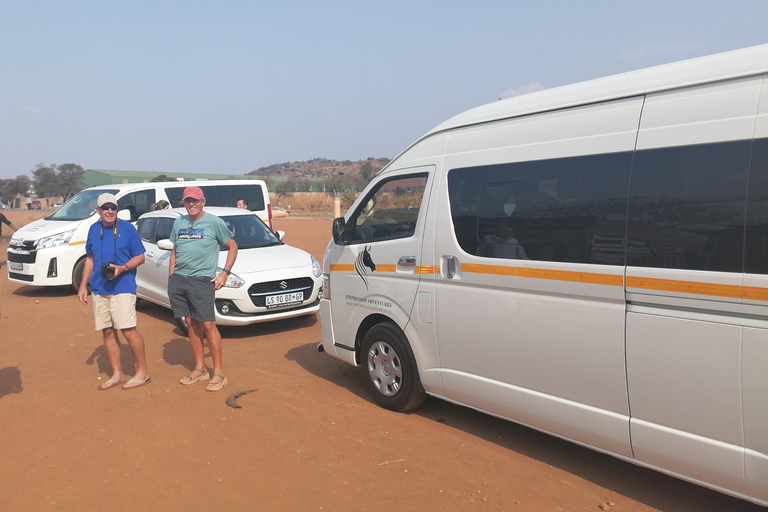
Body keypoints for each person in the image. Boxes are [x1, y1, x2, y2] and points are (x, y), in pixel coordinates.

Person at [77, 193, 151, 390]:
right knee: (108, 331)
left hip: (123, 286)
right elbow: (90, 260)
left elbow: (141, 257)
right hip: (100, 288)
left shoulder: (128, 229)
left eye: (113, 208)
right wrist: (83, 285)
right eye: (106, 208)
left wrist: (123, 268)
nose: (110, 211)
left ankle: (142, 372)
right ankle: (117, 374)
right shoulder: (93, 229)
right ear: (98, 211)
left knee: (128, 330)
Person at [169, 186, 238, 392]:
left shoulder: (214, 222)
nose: (191, 204)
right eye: (188, 201)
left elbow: (233, 247)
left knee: (208, 325)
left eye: (195, 201)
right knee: (190, 323)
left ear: (203, 202)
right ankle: (200, 368)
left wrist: (225, 272)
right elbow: (174, 249)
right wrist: (172, 276)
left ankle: (219, 373)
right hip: (180, 280)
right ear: (183, 202)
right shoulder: (178, 222)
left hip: (202, 280)